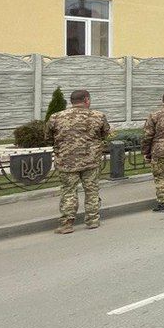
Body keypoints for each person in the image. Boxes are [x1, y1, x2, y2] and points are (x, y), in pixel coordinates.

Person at [47, 90, 111, 233]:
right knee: (92, 190)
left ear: (72, 101)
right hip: (91, 160)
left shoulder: (56, 117)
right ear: (86, 100)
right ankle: (92, 220)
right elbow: (105, 134)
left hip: (66, 161)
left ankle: (67, 224)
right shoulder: (98, 116)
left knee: (68, 191)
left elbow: (48, 137)